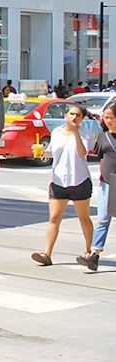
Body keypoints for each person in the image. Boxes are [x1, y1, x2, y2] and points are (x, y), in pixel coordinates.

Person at [33, 103, 94, 266]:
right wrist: (39, 152)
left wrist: (75, 133)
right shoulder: (57, 132)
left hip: (79, 180)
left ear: (82, 118)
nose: (74, 118)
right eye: (72, 114)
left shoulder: (84, 132)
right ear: (65, 115)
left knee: (84, 217)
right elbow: (52, 152)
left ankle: (89, 252)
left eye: (78, 115)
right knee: (53, 218)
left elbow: (83, 153)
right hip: (59, 181)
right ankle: (47, 253)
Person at [80, 103, 116, 270]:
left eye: (111, 117)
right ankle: (94, 255)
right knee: (102, 218)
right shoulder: (103, 136)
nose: (107, 120)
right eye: (105, 117)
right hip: (107, 183)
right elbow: (102, 159)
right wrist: (101, 179)